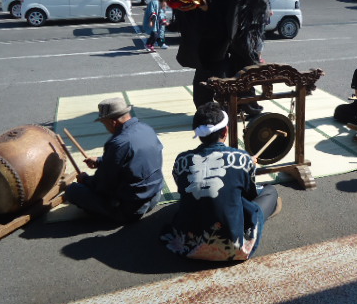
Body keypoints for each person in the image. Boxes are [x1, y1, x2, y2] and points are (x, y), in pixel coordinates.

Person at [161, 102, 281, 261]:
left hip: (188, 244)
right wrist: (248, 166)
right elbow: (249, 194)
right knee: (270, 192)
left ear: (199, 134)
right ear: (225, 131)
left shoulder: (182, 160)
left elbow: (182, 188)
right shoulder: (241, 158)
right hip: (233, 247)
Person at [64, 97, 164, 223]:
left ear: (113, 122)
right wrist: (101, 161)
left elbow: (102, 185)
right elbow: (134, 158)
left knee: (72, 191)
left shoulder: (118, 143)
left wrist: (85, 180)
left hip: (132, 209)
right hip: (155, 196)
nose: (105, 127)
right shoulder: (146, 128)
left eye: (104, 123)